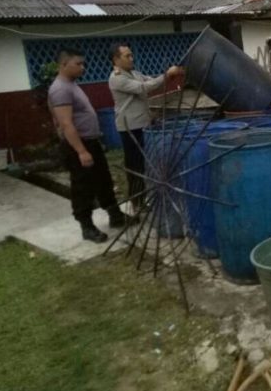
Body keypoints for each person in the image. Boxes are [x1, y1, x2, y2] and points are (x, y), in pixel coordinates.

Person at [48, 48, 126, 243]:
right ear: (64, 64)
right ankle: (87, 227)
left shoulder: (71, 84)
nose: (82, 67)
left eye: (83, 63)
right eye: (78, 64)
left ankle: (115, 215)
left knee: (103, 180)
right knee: (83, 187)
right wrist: (81, 150)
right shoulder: (60, 89)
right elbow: (65, 123)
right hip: (79, 145)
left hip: (91, 142)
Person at [108, 43, 183, 212]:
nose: (131, 58)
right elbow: (144, 87)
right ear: (116, 59)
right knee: (134, 166)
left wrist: (168, 76)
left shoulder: (133, 73)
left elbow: (150, 81)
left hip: (142, 124)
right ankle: (137, 201)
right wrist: (167, 75)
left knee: (144, 163)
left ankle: (143, 199)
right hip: (130, 127)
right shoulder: (117, 78)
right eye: (127, 56)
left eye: (131, 55)